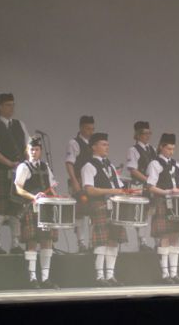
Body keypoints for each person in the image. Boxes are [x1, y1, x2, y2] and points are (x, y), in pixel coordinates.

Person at [0, 93, 30, 255]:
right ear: (0, 106)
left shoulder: (19, 124)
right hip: (3, 172)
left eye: (13, 104)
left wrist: (25, 161)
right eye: (8, 105)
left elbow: (28, 145)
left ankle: (15, 243)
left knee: (16, 208)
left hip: (19, 172)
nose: (12, 108)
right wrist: (9, 163)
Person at [81, 133, 127, 286]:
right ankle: (99, 277)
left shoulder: (110, 165)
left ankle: (110, 276)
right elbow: (89, 190)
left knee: (113, 240)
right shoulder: (89, 166)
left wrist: (129, 192)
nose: (106, 147)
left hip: (114, 206)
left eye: (107, 144)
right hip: (99, 205)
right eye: (103, 144)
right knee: (101, 242)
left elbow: (119, 187)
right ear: (94, 147)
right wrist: (111, 191)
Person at [14, 136, 60, 289]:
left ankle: (45, 279)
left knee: (47, 241)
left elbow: (51, 186)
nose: (34, 152)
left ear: (40, 151)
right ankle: (32, 278)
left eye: (37, 149)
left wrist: (56, 196)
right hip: (31, 207)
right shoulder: (23, 167)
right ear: (27, 150)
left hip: (46, 208)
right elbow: (18, 188)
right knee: (32, 241)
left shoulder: (45, 167)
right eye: (31, 149)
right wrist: (33, 196)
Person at [147, 133, 179, 284]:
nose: (171, 152)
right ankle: (165, 274)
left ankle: (174, 273)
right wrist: (167, 192)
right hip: (163, 202)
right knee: (165, 237)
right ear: (161, 147)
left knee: (175, 237)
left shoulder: (177, 165)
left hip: (177, 204)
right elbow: (151, 187)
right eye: (169, 148)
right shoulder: (155, 164)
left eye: (173, 149)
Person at [65, 116, 95, 253]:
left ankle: (90, 243)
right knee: (80, 214)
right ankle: (80, 243)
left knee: (91, 213)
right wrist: (75, 182)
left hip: (91, 183)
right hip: (78, 181)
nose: (90, 131)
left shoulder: (93, 144)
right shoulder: (74, 143)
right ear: (81, 128)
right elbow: (69, 163)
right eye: (88, 128)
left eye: (92, 129)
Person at [125, 121, 156, 252]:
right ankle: (141, 241)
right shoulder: (133, 150)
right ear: (138, 134)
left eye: (149, 133)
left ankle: (155, 240)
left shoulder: (152, 149)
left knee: (151, 211)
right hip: (139, 185)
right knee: (141, 213)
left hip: (152, 185)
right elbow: (133, 170)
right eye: (145, 133)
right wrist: (148, 180)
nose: (147, 135)